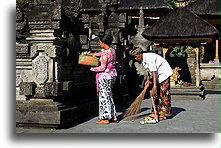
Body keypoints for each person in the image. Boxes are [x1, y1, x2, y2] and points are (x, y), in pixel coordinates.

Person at [130, 47, 173, 123]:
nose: (135, 58)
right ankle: (155, 111)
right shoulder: (143, 60)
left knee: (163, 93)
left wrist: (154, 86)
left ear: (140, 54)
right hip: (157, 75)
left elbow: (154, 71)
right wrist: (147, 80)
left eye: (136, 56)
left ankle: (163, 113)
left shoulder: (149, 58)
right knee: (155, 94)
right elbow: (149, 71)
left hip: (164, 73)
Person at [90, 34, 118, 124]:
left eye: (100, 41)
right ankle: (113, 115)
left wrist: (91, 68)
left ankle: (105, 117)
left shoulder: (105, 54)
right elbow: (103, 53)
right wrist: (95, 54)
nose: (99, 43)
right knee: (109, 95)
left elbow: (102, 68)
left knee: (104, 96)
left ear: (103, 42)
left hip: (105, 76)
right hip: (112, 75)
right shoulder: (112, 50)